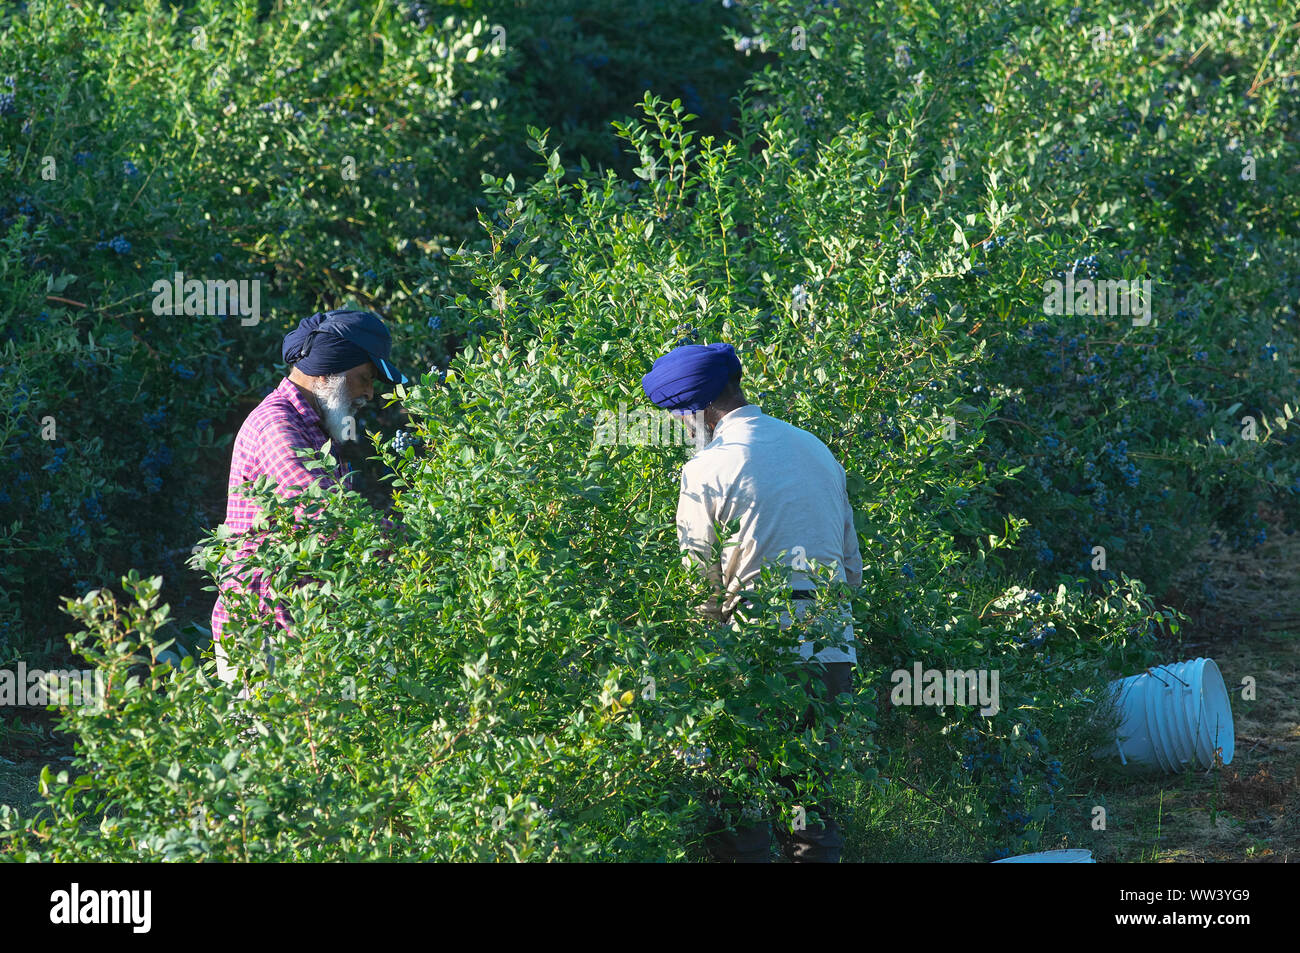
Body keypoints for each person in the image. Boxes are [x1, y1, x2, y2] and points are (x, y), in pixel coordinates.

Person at [641, 341, 863, 862]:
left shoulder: (707, 469)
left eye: (678, 419)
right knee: (812, 808)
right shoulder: (816, 449)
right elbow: (851, 573)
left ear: (695, 411)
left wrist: (702, 666)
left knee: (736, 809)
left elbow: (703, 589)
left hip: (755, 655)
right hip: (831, 649)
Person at [211, 309, 407, 692]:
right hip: (266, 638)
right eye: (364, 378)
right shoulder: (278, 427)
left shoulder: (309, 427)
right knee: (273, 748)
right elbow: (330, 521)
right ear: (327, 370)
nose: (369, 393)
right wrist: (424, 543)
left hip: (293, 634)